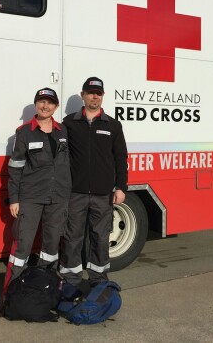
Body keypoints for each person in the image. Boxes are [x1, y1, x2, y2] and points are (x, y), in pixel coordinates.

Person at [60, 77, 128, 286]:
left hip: (102, 194)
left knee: (100, 237)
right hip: (76, 192)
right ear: (83, 95)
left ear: (103, 96)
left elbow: (120, 157)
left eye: (98, 93)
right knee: (73, 237)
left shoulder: (113, 125)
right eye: (90, 92)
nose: (94, 96)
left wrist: (121, 187)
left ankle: (98, 278)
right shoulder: (69, 123)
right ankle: (70, 278)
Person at [3, 87, 71, 294]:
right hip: (31, 197)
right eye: (41, 101)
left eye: (50, 102)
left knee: (51, 246)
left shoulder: (63, 131)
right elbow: (15, 168)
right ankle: (11, 292)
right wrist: (14, 199)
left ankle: (46, 288)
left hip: (58, 196)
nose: (45, 106)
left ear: (56, 107)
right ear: (36, 104)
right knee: (22, 246)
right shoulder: (24, 132)